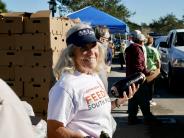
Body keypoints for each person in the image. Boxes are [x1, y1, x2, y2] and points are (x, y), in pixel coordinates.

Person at [47, 23, 138, 138]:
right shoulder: (65, 87)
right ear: (71, 53)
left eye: (93, 45)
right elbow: (53, 130)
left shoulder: (93, 76)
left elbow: (94, 109)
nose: (91, 52)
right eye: (84, 48)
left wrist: (118, 102)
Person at [125, 31, 161, 125]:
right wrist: (148, 72)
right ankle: (148, 118)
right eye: (143, 41)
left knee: (132, 98)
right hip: (138, 78)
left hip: (130, 77)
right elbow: (139, 66)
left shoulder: (129, 48)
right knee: (144, 98)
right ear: (141, 41)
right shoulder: (137, 49)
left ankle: (132, 118)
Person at [145, 35, 161, 106]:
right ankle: (149, 100)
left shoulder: (143, 48)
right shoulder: (154, 50)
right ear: (152, 42)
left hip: (144, 70)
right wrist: (158, 69)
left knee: (143, 86)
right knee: (151, 86)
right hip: (152, 70)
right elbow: (158, 61)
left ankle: (144, 100)